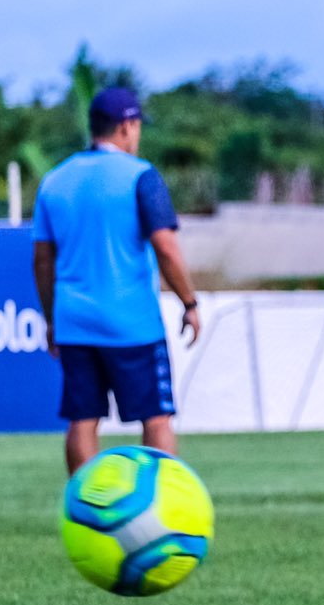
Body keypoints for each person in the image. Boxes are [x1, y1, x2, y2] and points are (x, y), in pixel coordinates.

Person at [32, 86, 204, 474]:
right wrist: (189, 303)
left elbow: (42, 260)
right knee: (156, 418)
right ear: (126, 127)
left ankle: (83, 511)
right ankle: (161, 507)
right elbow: (166, 248)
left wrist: (51, 319)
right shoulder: (141, 177)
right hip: (132, 323)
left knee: (82, 419)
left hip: (75, 322)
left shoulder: (55, 179)